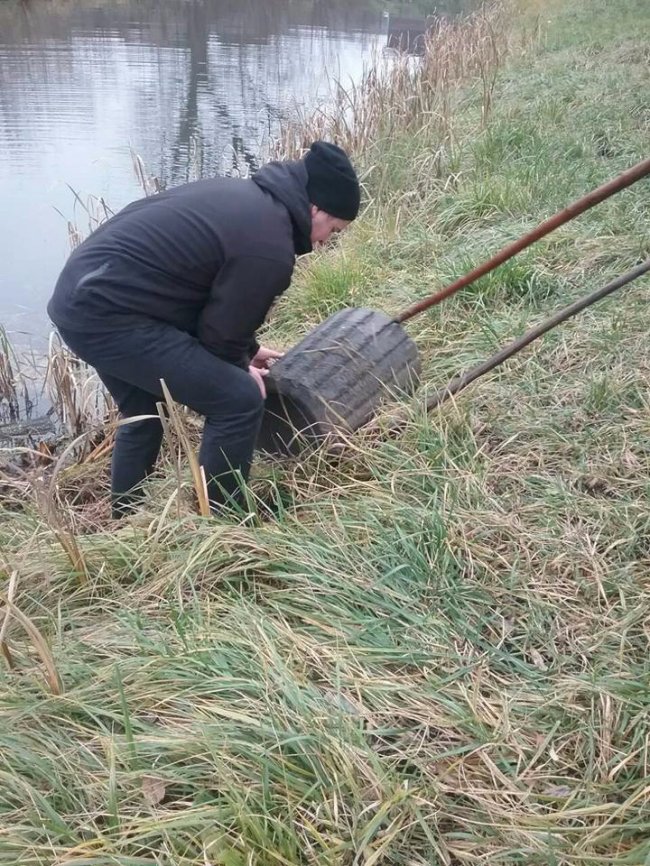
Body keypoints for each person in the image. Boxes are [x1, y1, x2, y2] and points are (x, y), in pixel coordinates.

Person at [47, 141, 360, 518]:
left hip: (81, 298)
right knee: (238, 400)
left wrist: (244, 350)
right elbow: (220, 338)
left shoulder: (248, 201)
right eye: (334, 229)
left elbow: (202, 297)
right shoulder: (270, 246)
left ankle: (125, 519)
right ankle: (225, 523)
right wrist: (235, 363)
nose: (327, 241)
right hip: (108, 314)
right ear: (316, 208)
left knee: (143, 414)